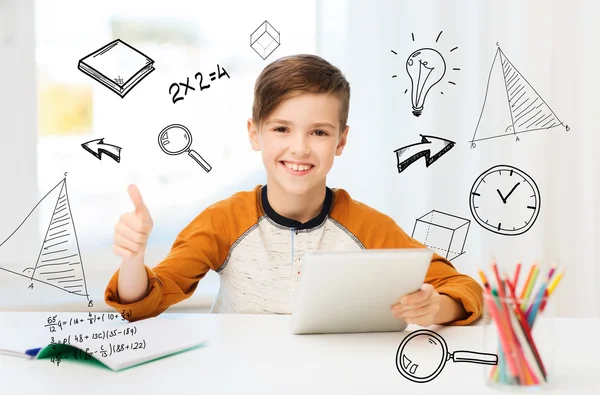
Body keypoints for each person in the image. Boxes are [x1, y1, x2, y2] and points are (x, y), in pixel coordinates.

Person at [105, 54, 483, 326]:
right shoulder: (223, 221)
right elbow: (145, 301)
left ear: (341, 140)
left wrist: (439, 307)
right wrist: (133, 259)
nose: (300, 148)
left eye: (319, 132)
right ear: (255, 134)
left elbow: (461, 287)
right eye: (282, 129)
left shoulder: (367, 225)